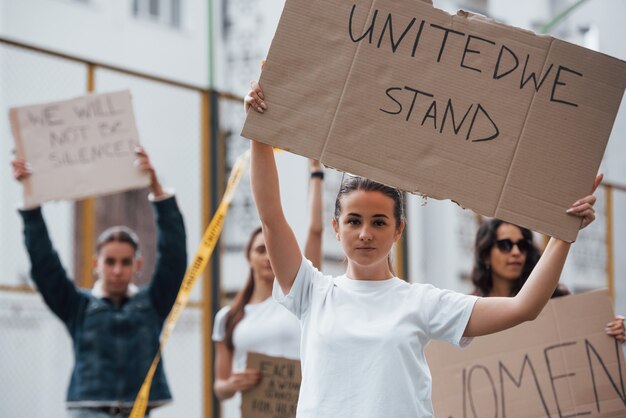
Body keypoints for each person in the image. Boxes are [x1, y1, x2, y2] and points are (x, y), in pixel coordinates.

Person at [245, 81, 599, 418]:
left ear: (398, 230)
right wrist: (259, 132)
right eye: (354, 221)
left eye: (379, 222)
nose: (365, 233)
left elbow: (525, 307)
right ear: (336, 228)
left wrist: (563, 234)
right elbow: (272, 217)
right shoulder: (311, 291)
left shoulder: (422, 302)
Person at [12, 147, 187, 418]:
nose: (117, 270)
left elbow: (174, 254)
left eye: (126, 262)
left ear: (137, 265)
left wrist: (155, 185)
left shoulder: (153, 303)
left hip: (139, 410)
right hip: (87, 411)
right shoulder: (77, 307)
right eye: (110, 262)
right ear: (97, 265)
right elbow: (44, 262)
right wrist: (30, 198)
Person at [212, 158, 324, 415]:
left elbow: (315, 231)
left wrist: (316, 174)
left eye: (271, 250)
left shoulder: (300, 296)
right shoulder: (227, 318)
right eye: (261, 250)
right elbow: (220, 386)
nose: (267, 257)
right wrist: (233, 383)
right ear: (248, 257)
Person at [471, 218, 625, 342]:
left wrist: (610, 330)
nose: (516, 252)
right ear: (485, 255)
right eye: (505, 245)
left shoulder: (555, 300)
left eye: (522, 245)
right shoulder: (470, 312)